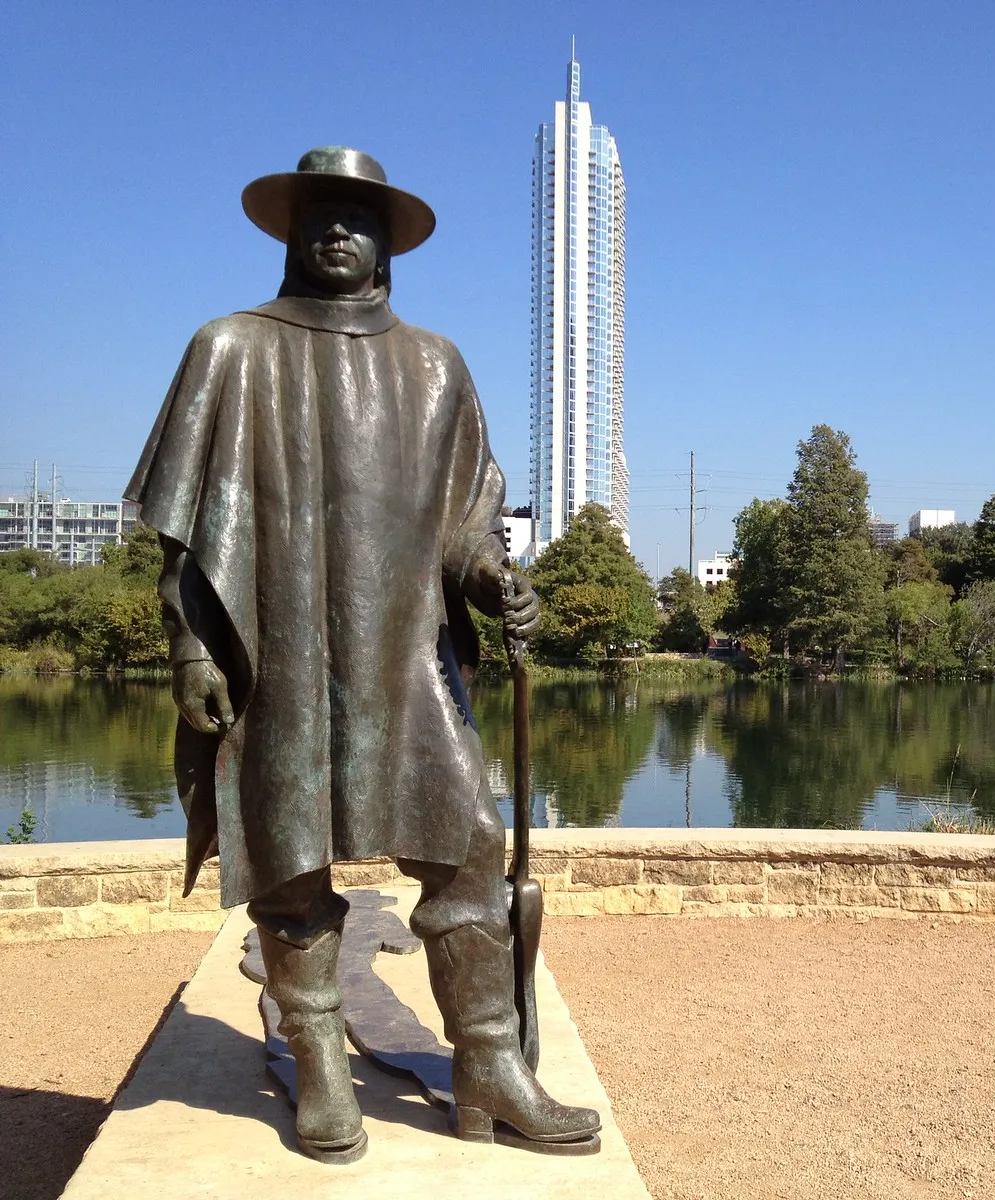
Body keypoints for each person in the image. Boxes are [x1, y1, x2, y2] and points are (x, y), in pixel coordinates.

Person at [126, 146, 599, 1163]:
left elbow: (467, 522)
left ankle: (489, 1065)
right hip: (279, 651)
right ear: (290, 232)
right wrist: (192, 651)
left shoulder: (435, 365)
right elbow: (184, 534)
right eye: (318, 215)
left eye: (357, 216)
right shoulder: (229, 349)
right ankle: (321, 1062)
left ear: (389, 241)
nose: (336, 231)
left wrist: (492, 580)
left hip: (403, 654)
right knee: (288, 863)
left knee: (469, 845)